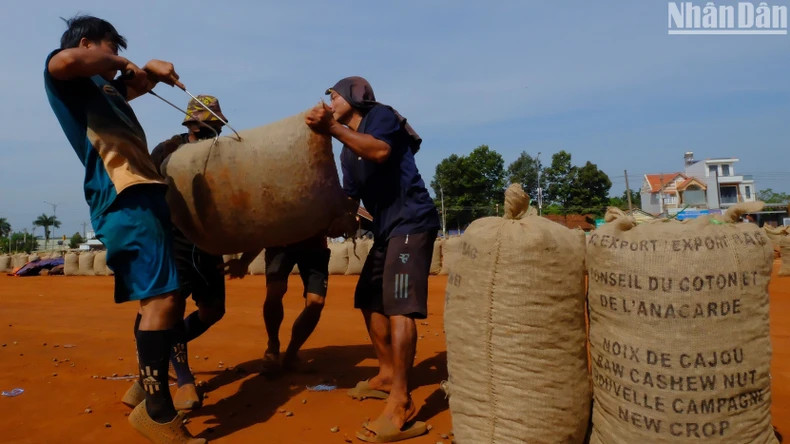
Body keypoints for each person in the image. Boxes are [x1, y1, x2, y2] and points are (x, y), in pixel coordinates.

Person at [44, 15, 204, 443]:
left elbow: (136, 84)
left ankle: (144, 387)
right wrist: (124, 59)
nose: (114, 57)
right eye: (109, 47)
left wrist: (152, 72)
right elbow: (64, 62)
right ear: (90, 43)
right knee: (163, 299)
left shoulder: (105, 89)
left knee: (159, 299)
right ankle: (157, 411)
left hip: (145, 193)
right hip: (122, 194)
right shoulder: (68, 74)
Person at [305, 76, 440, 442]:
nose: (329, 101)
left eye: (332, 95)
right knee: (368, 299)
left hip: (411, 221)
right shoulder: (348, 150)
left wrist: (330, 127)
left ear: (353, 95)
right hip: (385, 228)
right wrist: (318, 219)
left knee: (400, 307)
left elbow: (380, 151)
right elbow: (350, 199)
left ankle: (401, 402)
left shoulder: (380, 116)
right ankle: (385, 374)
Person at [121, 95, 229, 411]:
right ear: (195, 124)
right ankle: (183, 379)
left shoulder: (224, 153)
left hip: (208, 242)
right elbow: (144, 188)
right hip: (172, 240)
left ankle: (151, 364)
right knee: (171, 308)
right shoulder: (168, 149)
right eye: (212, 125)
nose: (217, 130)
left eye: (219, 125)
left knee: (214, 310)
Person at [225, 234, 330, 373]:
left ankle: (291, 354)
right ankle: (273, 345)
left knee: (316, 302)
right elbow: (266, 226)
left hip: (314, 245)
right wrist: (244, 261)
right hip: (279, 245)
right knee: (275, 291)